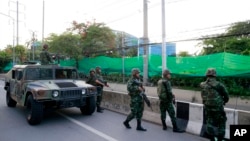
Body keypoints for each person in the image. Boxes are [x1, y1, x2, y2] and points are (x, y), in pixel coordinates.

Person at [200, 68, 229, 141]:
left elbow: (203, 94)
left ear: (207, 75)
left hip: (207, 106)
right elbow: (226, 96)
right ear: (215, 75)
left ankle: (212, 139)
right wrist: (224, 101)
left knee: (209, 122)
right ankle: (220, 139)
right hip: (218, 107)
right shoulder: (219, 85)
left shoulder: (202, 84)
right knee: (221, 123)